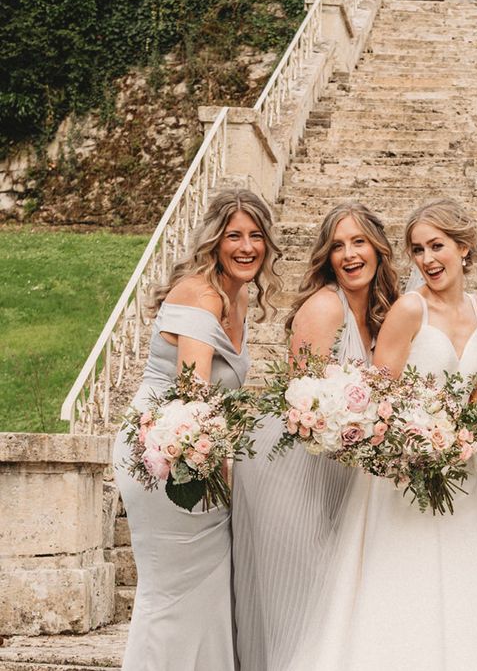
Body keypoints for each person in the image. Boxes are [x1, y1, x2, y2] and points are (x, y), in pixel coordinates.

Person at [284, 199, 477, 671]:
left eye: (438, 247)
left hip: (462, 472)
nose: (428, 259)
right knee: (398, 584)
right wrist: (415, 441)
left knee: (460, 583)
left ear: (464, 248)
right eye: (418, 249)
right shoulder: (409, 310)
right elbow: (377, 396)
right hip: (402, 475)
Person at [112, 190, 282, 671]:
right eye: (234, 235)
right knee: (171, 588)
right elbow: (193, 393)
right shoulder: (202, 292)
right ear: (214, 240)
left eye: (256, 235)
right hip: (162, 448)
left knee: (208, 587)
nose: (247, 247)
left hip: (198, 444)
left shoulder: (239, 296)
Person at [231, 202, 399, 671]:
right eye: (338, 245)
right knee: (297, 601)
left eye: (359, 242)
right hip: (290, 472)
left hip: (338, 473)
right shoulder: (326, 307)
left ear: (379, 249)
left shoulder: (380, 316)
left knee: (328, 605)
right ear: (326, 256)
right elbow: (302, 404)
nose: (349, 254)